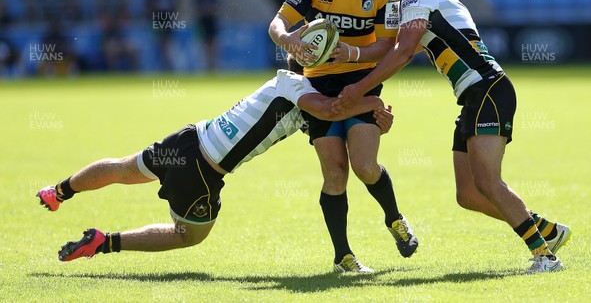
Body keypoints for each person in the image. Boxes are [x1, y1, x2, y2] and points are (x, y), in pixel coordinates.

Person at [334, 0, 571, 274]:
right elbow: (403, 48)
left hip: (486, 90)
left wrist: (359, 88)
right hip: (479, 95)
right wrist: (354, 55)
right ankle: (547, 231)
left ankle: (545, 257)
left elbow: (401, 52)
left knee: (488, 182)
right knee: (469, 194)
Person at [36, 58, 394, 263]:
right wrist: (375, 103)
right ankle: (104, 241)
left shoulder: (285, 86)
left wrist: (376, 121)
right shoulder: (299, 88)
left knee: (123, 168)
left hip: (189, 137)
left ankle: (59, 191)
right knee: (187, 235)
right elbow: (332, 110)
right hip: (204, 170)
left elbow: (330, 124)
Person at [268, 0, 417, 273]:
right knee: (334, 174)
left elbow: (388, 46)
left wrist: (352, 53)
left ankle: (394, 219)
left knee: (365, 166)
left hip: (360, 83)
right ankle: (343, 257)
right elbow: (277, 23)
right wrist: (288, 39)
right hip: (317, 86)